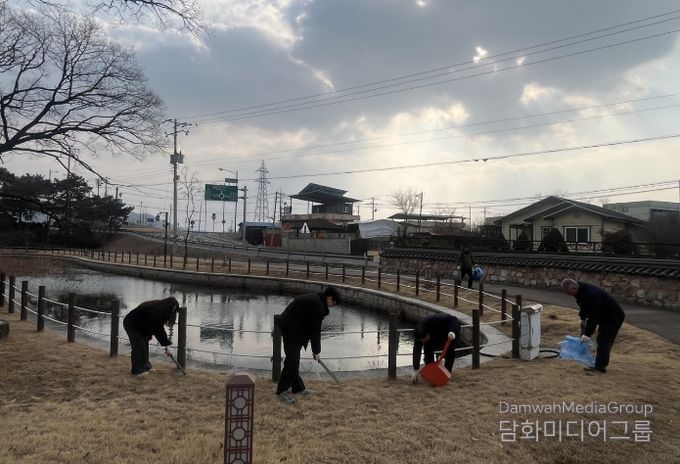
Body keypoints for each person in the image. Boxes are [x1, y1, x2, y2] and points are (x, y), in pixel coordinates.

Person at [275, 287, 341, 404]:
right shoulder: (318, 306)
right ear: (329, 298)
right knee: (292, 362)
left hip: (294, 329)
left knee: (293, 361)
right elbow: (315, 331)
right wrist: (316, 351)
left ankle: (298, 388)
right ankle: (281, 391)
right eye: (334, 303)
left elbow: (311, 327)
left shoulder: (317, 300)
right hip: (290, 329)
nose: (333, 306)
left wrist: (315, 350)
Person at [560, 278, 625, 374]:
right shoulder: (580, 290)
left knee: (604, 340)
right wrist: (582, 318)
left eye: (568, 292)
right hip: (604, 315)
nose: (567, 295)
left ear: (574, 287)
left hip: (613, 317)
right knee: (600, 338)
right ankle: (598, 364)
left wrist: (587, 334)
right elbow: (584, 305)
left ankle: (600, 367)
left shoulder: (592, 294)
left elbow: (594, 316)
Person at [123, 296, 179, 376]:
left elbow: (153, 324)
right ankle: (137, 371)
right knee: (138, 347)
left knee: (145, 346)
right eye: (172, 308)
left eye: (174, 309)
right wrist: (166, 344)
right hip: (131, 324)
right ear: (166, 306)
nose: (172, 311)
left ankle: (146, 367)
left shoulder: (161, 311)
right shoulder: (156, 309)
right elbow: (158, 328)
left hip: (142, 327)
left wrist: (165, 343)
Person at [411, 313, 462, 384]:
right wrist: (416, 369)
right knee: (427, 350)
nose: (423, 341)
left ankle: (446, 373)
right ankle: (431, 374)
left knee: (450, 350)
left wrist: (452, 331)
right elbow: (417, 350)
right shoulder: (418, 333)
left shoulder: (436, 321)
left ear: (427, 333)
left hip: (448, 331)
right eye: (421, 340)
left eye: (424, 339)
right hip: (433, 335)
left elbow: (454, 320)